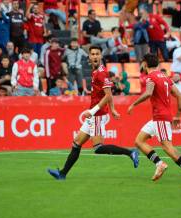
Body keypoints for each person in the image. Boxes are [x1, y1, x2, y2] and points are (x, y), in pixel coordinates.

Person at [47, 45, 140, 180]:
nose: (95, 56)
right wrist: (112, 109)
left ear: (101, 56)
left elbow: (108, 95)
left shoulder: (101, 73)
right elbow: (107, 94)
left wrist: (93, 110)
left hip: (97, 114)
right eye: (93, 54)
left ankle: (131, 153)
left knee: (97, 147)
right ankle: (62, 174)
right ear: (89, 57)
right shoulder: (96, 71)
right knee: (77, 142)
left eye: (97, 54)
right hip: (95, 114)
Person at [127, 53, 181, 184]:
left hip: (160, 117)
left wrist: (134, 104)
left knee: (167, 147)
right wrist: (178, 114)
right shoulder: (165, 77)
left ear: (144, 64)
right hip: (158, 118)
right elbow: (180, 96)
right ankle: (159, 164)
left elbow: (148, 93)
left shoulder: (151, 77)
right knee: (139, 141)